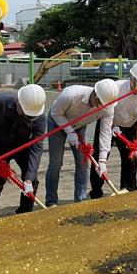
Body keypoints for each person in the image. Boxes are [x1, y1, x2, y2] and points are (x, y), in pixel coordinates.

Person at [44, 78, 119, 206]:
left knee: (84, 163)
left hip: (79, 125)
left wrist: (102, 160)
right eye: (100, 102)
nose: (102, 106)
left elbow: (105, 133)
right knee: (56, 162)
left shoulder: (108, 107)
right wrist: (69, 131)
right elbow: (56, 113)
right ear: (95, 93)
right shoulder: (71, 95)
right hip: (57, 123)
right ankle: (51, 202)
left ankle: (80, 199)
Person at [0, 84, 46, 219]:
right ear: (18, 102)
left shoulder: (40, 118)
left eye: (30, 117)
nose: (28, 118)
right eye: (25, 114)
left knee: (32, 180)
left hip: (23, 147)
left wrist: (28, 179)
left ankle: (24, 213)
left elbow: (37, 147)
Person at [90, 62, 137, 196]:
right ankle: (96, 192)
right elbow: (106, 113)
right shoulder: (116, 89)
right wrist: (113, 126)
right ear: (132, 78)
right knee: (100, 156)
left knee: (130, 159)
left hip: (129, 126)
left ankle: (127, 189)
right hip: (108, 123)